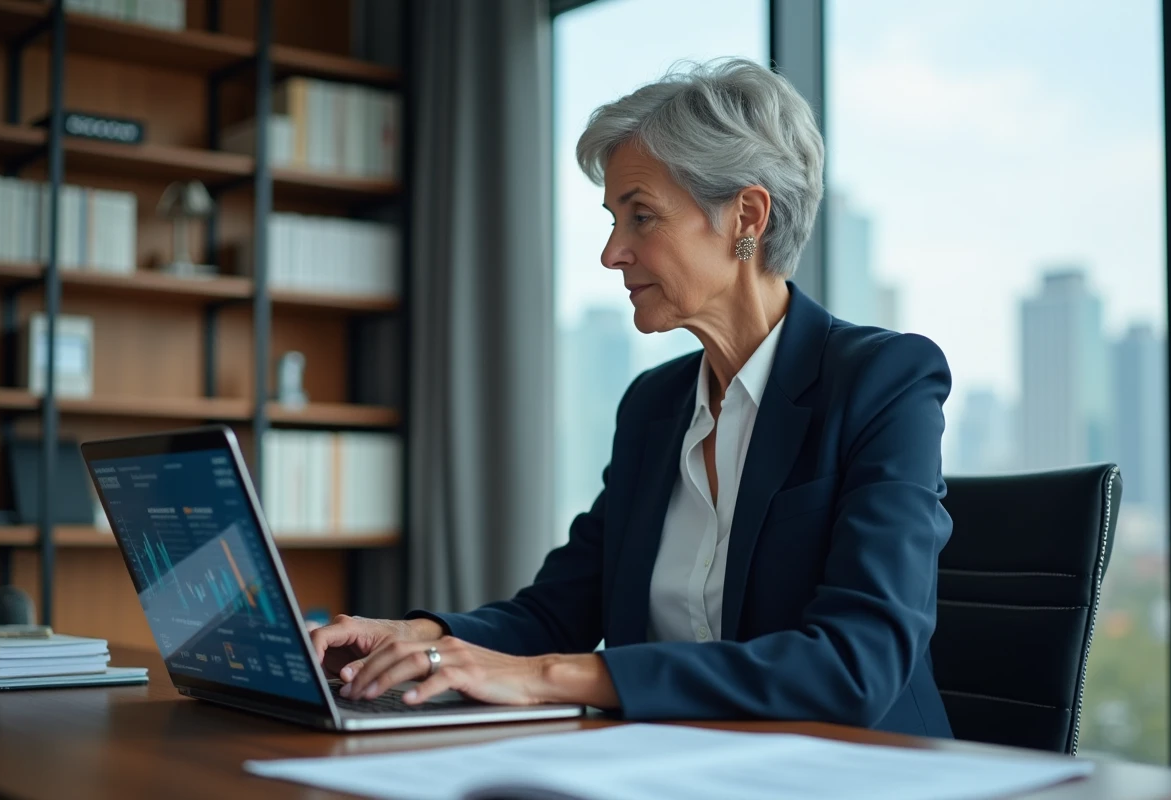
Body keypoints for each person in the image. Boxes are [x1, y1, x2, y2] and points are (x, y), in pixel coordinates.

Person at [310, 58, 954, 737]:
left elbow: (855, 666)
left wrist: (547, 677)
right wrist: (421, 639)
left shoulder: (884, 381)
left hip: (860, 766)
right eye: (613, 219)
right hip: (677, 759)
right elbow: (556, 612)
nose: (612, 252)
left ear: (746, 216)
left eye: (641, 216)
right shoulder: (654, 405)